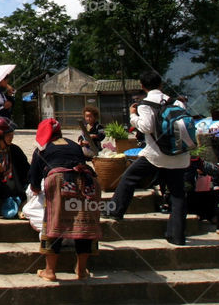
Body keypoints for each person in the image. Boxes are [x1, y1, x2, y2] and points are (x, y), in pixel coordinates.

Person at [108, 71, 191, 246]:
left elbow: (146, 127)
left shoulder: (145, 104)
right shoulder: (177, 102)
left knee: (128, 178)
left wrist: (133, 115)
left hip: (156, 154)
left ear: (142, 86)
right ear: (161, 85)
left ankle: (115, 211)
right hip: (179, 155)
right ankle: (177, 236)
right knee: (177, 194)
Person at [28, 118, 101, 281]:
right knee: (84, 222)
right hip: (87, 182)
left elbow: (34, 182)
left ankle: (50, 271)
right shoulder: (74, 145)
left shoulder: (42, 148)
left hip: (60, 181)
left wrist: (36, 190)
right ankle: (81, 270)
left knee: (54, 222)